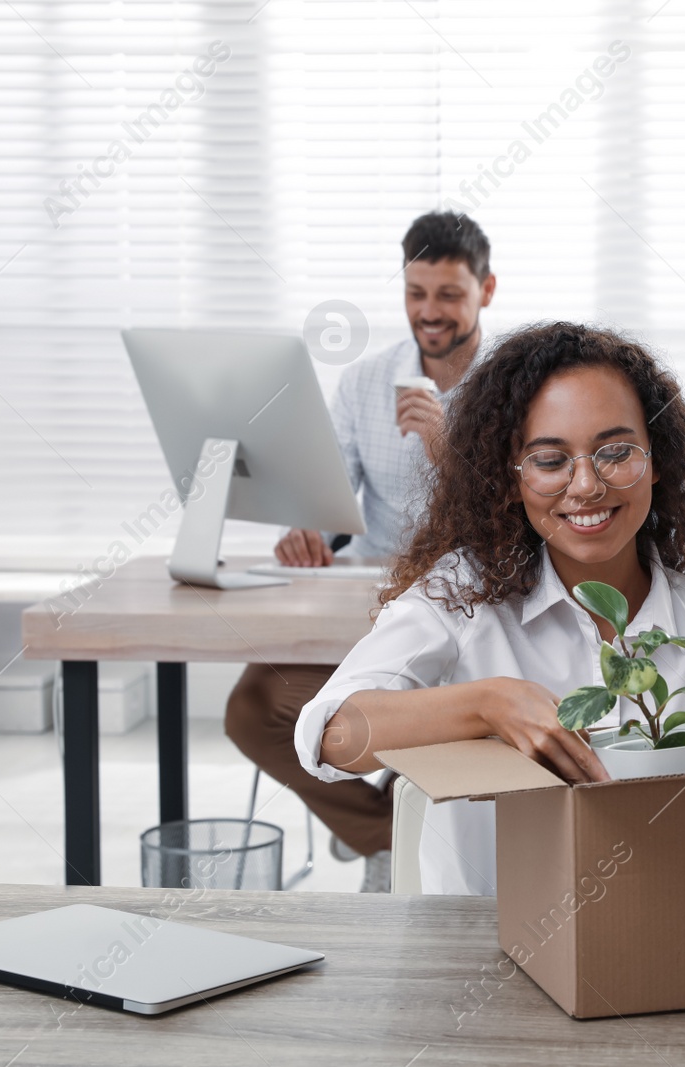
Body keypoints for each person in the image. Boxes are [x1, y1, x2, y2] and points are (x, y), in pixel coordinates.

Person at [294, 323, 685, 895]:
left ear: (658, 459)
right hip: (483, 953)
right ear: (511, 478)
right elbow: (331, 737)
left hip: (666, 936)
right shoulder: (462, 599)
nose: (587, 485)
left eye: (616, 452)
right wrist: (487, 704)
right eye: (550, 460)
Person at [224, 211, 496, 892]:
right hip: (370, 598)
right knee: (254, 708)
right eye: (416, 293)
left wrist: (446, 451)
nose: (429, 312)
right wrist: (311, 530)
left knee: (432, 717)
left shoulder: (513, 387)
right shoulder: (366, 383)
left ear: (486, 290)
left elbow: (516, 517)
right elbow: (335, 499)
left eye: (448, 295)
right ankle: (387, 832)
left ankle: (400, 845)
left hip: (474, 603)